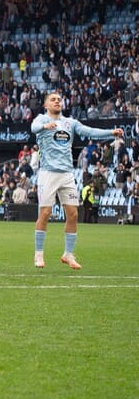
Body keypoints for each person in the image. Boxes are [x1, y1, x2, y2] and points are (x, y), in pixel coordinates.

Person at [31, 92, 124, 269]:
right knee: (45, 213)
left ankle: (68, 254)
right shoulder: (41, 119)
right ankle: (38, 254)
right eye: (53, 99)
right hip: (48, 173)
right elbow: (33, 128)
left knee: (73, 214)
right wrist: (45, 127)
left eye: (59, 99)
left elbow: (89, 131)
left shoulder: (70, 122)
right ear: (46, 105)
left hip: (67, 174)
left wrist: (110, 132)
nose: (57, 101)